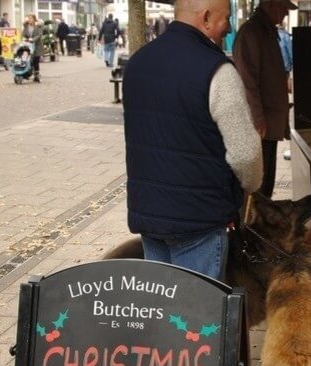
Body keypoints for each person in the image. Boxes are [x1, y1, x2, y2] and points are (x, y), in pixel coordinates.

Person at [123, 0, 263, 280]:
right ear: (207, 17)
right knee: (198, 318)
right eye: (226, 19)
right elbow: (246, 154)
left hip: (150, 214)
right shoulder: (218, 71)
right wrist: (250, 187)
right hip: (199, 220)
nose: (230, 27)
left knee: (163, 309)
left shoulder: (138, 62)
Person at [233, 0, 297, 198]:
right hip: (260, 127)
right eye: (284, 8)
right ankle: (250, 227)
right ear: (271, 5)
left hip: (268, 125)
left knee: (265, 186)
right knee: (257, 189)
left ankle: (257, 226)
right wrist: (258, 119)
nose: (286, 13)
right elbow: (247, 82)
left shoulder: (266, 32)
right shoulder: (252, 33)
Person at [22, 14, 42, 82]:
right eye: (28, 18)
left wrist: (33, 39)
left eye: (30, 18)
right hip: (28, 45)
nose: (29, 19)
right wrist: (24, 37)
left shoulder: (38, 26)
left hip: (36, 45)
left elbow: (39, 35)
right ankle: (25, 73)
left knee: (35, 60)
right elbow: (24, 33)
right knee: (25, 58)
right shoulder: (26, 26)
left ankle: (36, 74)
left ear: (34, 19)